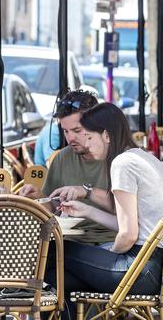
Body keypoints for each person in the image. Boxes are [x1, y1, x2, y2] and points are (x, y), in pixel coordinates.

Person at [44, 103, 163, 316]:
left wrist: (106, 255)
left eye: (89, 136)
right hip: (160, 270)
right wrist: (87, 211)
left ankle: (3, 289)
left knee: (55, 251)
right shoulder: (143, 157)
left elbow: (128, 234)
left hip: (140, 269)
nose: (86, 143)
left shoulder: (122, 164)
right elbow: (131, 225)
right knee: (57, 278)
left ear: (106, 135)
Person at [19, 90, 114, 243]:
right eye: (65, 131)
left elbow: (132, 212)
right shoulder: (62, 157)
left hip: (111, 242)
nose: (70, 138)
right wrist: (39, 198)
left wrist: (86, 191)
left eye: (77, 130)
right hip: (69, 243)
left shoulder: (119, 158)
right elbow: (54, 209)